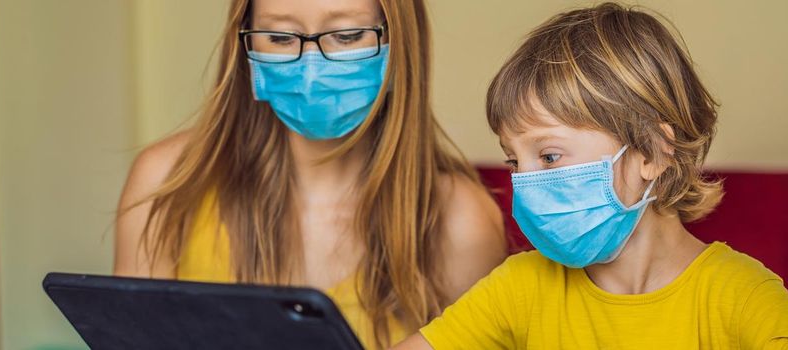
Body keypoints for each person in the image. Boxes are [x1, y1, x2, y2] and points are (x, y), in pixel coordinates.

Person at [393, 3, 788, 349]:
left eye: (547, 157)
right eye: (513, 162)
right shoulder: (520, 286)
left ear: (652, 152)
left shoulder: (737, 293)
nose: (524, 184)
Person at [113, 0, 507, 348]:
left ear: (400, 40)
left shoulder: (460, 220)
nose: (311, 67)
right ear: (246, 44)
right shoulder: (168, 181)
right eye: (281, 37)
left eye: (348, 35)